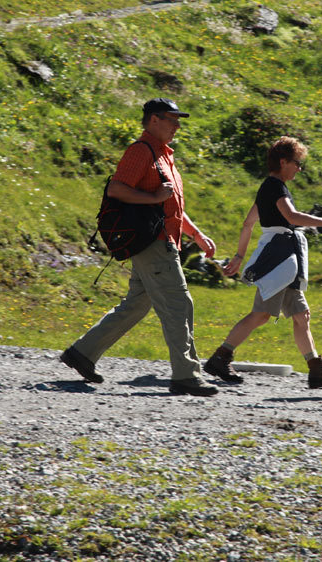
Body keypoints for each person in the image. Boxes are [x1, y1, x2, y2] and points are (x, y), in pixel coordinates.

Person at [60, 98, 220, 396]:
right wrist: (153, 198)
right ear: (154, 120)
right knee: (178, 304)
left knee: (137, 303)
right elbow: (116, 189)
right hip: (153, 243)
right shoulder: (140, 151)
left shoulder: (164, 155)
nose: (178, 126)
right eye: (173, 120)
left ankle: (82, 353)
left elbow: (171, 204)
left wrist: (196, 234)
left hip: (163, 240)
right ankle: (186, 375)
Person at [202, 136, 322, 389]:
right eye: (296, 163)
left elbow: (248, 223)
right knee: (261, 315)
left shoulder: (270, 187)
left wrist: (240, 256)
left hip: (286, 260)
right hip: (280, 261)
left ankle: (316, 369)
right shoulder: (275, 187)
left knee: (301, 316)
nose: (299, 168)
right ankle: (220, 357)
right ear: (283, 162)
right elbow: (291, 217)